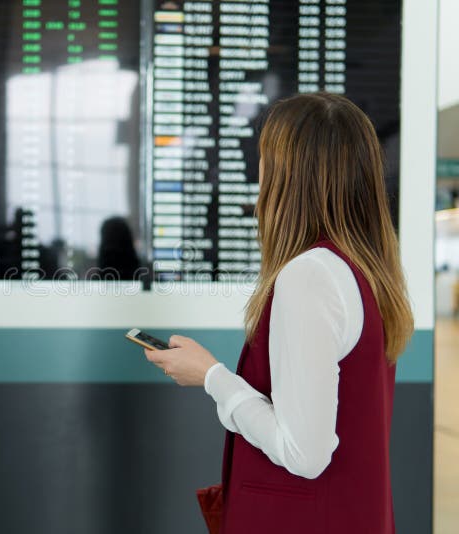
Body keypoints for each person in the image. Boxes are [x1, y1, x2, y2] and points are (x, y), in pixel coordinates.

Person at [142, 93, 413, 533]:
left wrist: (212, 376)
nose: (259, 175)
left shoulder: (309, 275)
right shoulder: (368, 271)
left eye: (266, 160)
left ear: (291, 175)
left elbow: (305, 453)